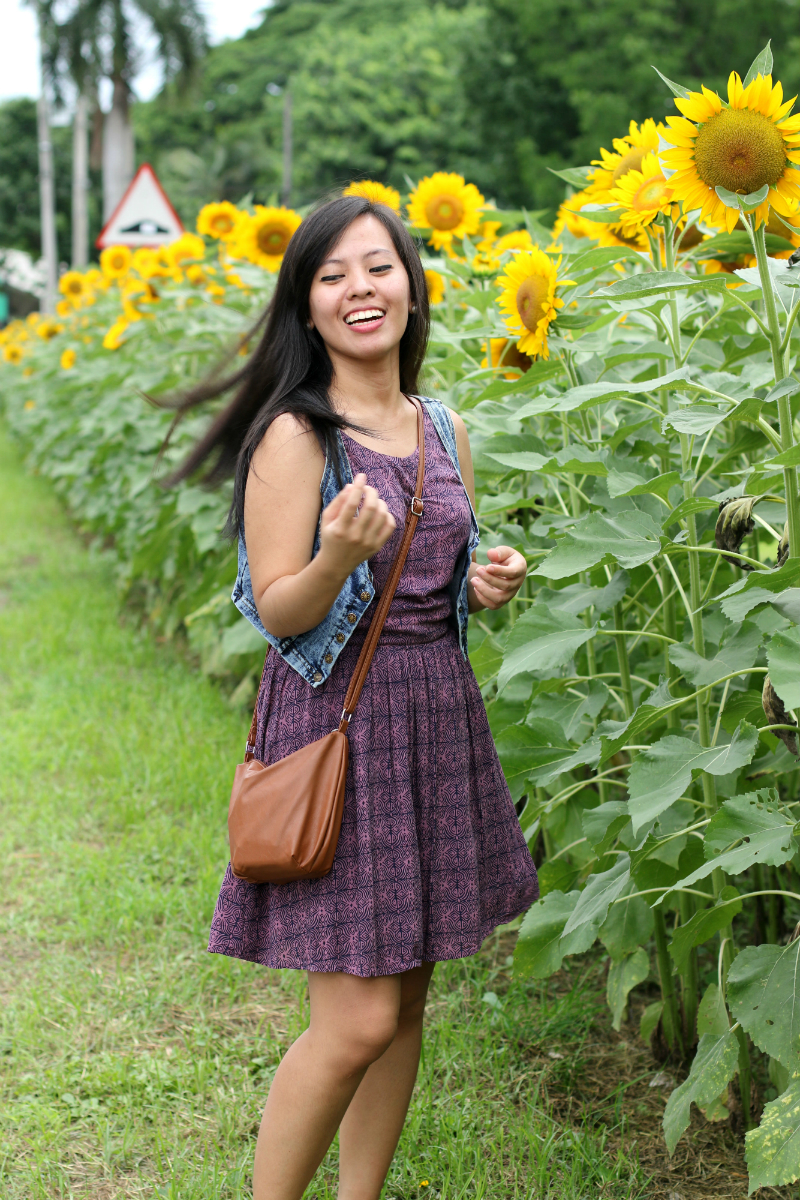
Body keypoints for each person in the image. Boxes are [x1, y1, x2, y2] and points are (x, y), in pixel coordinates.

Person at [168, 195, 539, 1200]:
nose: (358, 290)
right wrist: (333, 555)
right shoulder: (297, 435)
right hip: (340, 723)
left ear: (412, 290)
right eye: (332, 276)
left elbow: (425, 588)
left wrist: (479, 585)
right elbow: (281, 610)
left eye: (376, 268)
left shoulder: (444, 426)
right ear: (308, 304)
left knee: (405, 1003)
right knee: (355, 1021)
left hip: (434, 718)